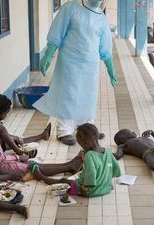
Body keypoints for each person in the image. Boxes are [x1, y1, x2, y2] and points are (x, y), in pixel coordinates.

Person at [34, 0, 117, 146]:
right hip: (70, 61)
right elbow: (57, 32)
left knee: (88, 96)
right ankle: (64, 131)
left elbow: (105, 46)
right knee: (69, 95)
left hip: (91, 65)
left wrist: (111, 69)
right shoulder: (71, 8)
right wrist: (48, 54)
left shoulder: (100, 17)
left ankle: (86, 128)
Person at [0, 101, 83, 182]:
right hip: (0, 167)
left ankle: (68, 165)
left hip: (1, 163)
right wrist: (18, 157)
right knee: (32, 167)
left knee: (33, 165)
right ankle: (69, 167)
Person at [62, 123, 121, 197]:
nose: (82, 148)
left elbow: (91, 173)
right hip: (106, 188)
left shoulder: (89, 155)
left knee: (64, 181)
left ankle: (43, 178)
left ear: (85, 142)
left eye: (81, 145)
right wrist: (108, 182)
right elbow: (116, 168)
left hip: (91, 190)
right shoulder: (107, 151)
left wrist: (85, 189)